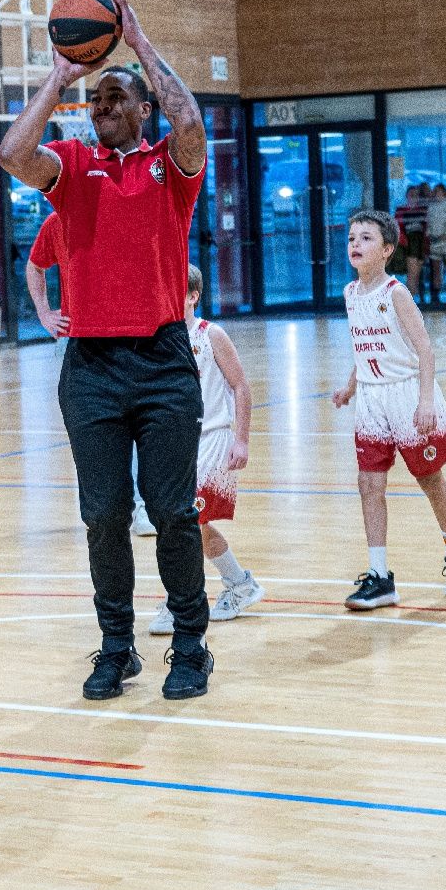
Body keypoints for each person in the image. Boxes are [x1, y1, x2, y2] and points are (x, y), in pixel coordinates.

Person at [0, 0, 215, 702]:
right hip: (89, 366)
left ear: (143, 109)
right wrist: (61, 74)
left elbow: (191, 127)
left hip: (161, 361)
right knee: (103, 514)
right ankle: (116, 646)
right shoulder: (73, 167)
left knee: (173, 512)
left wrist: (139, 42)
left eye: (116, 98)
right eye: (96, 101)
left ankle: (191, 643)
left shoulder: (168, 170)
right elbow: (11, 153)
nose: (102, 108)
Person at [331, 210, 446, 610]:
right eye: (352, 238)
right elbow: (365, 350)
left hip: (409, 395)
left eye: (366, 239)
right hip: (372, 399)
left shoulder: (396, 293)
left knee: (430, 478)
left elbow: (425, 350)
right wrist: (350, 386)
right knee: (369, 484)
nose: (355, 244)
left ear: (387, 250)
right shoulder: (349, 293)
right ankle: (380, 575)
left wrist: (425, 401)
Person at [24, 214, 155, 537]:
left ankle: (141, 507)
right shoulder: (58, 222)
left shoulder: (123, 215)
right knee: (95, 433)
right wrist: (43, 312)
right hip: (81, 340)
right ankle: (106, 508)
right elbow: (35, 265)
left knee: (136, 425)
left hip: (130, 337)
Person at [150, 267, 262, 635]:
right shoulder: (161, 339)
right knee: (183, 522)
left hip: (213, 439)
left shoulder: (210, 334)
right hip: (176, 443)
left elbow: (241, 386)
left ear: (193, 295)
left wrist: (241, 439)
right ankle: (239, 582)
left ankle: (179, 599)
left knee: (190, 520)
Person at [395, 184, 429, 297]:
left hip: (420, 244)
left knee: (416, 275)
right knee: (412, 275)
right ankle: (408, 303)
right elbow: (398, 227)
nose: (413, 196)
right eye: (411, 194)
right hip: (409, 243)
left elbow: (426, 228)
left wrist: (426, 246)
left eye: (416, 195)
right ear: (407, 196)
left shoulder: (423, 210)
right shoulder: (401, 210)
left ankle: (410, 301)